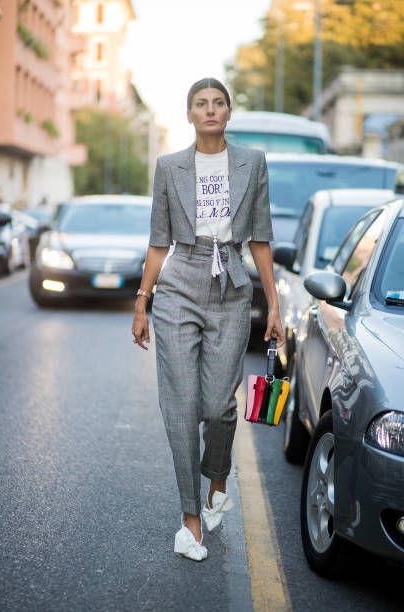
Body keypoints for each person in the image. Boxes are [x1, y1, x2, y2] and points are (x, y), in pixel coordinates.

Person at [131, 77, 284, 562]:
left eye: (218, 103)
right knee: (181, 404)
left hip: (233, 286)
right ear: (190, 114)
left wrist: (274, 304)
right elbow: (159, 241)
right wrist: (142, 300)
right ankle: (190, 518)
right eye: (202, 103)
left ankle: (217, 477)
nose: (211, 110)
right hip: (180, 281)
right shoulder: (169, 167)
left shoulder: (252, 163)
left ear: (229, 112)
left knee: (219, 406)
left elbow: (260, 237)